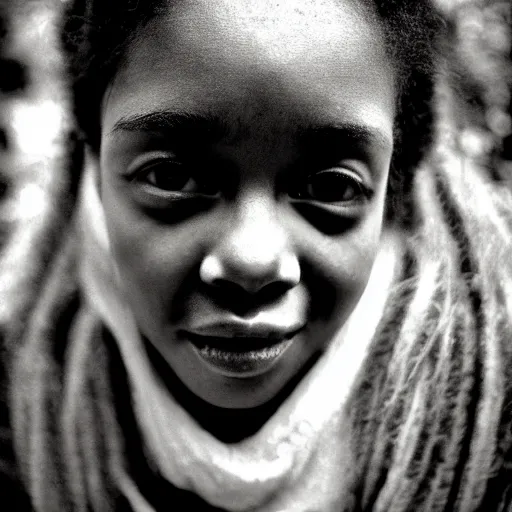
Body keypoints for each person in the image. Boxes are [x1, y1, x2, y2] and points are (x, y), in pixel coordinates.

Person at [2, 0, 512, 510]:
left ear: (395, 198)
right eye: (170, 177)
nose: (251, 261)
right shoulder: (13, 415)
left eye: (331, 185)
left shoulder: (497, 437)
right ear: (91, 170)